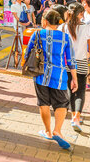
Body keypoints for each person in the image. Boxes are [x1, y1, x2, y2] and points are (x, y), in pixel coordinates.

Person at [26, 9, 78, 150]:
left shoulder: (37, 34)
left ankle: (48, 132)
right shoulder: (65, 37)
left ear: (45, 21)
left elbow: (27, 54)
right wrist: (75, 78)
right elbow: (71, 60)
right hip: (59, 76)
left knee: (43, 103)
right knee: (61, 103)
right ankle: (58, 130)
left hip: (40, 75)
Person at [62, 3, 90, 132]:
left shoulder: (62, 27)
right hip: (81, 63)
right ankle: (76, 117)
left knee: (69, 89)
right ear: (81, 14)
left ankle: (72, 115)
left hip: (65, 63)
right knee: (80, 90)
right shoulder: (87, 28)